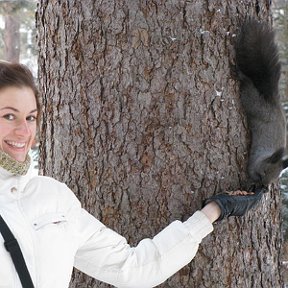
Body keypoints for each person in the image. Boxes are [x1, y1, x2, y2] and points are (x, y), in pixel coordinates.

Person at [0, 62, 263, 288]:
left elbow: (132, 268)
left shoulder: (52, 198)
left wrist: (214, 211)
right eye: (9, 116)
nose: (24, 131)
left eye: (31, 118)